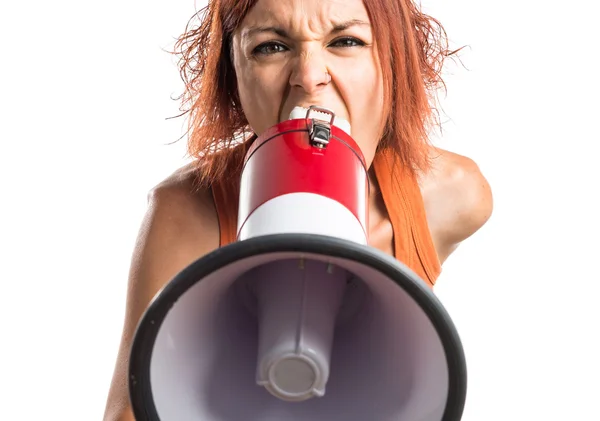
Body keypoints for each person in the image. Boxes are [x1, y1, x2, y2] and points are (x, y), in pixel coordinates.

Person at [103, 0, 493, 419]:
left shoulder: (454, 194)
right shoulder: (185, 209)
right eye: (270, 47)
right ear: (231, 74)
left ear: (396, 61)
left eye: (346, 41)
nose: (309, 78)